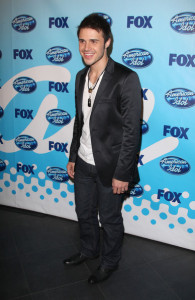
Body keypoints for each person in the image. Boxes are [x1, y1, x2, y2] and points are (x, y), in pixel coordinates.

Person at [64, 13, 142, 284]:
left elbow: (132, 133)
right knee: (83, 212)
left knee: (109, 219)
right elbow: (80, 120)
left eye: (94, 41)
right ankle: (88, 249)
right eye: (82, 41)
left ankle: (109, 262)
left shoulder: (126, 78)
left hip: (111, 168)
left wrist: (123, 173)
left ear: (107, 42)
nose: (86, 47)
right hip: (83, 162)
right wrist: (74, 155)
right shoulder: (79, 76)